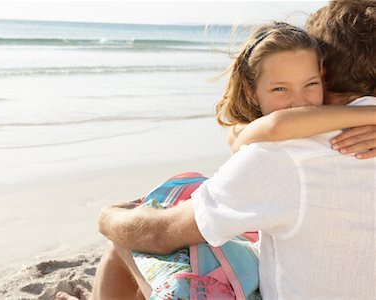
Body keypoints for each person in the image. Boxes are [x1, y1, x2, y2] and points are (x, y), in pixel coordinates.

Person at [56, 1, 376, 299]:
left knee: (129, 234)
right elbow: (247, 135)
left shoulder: (289, 153)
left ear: (325, 71)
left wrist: (108, 218)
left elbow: (162, 235)